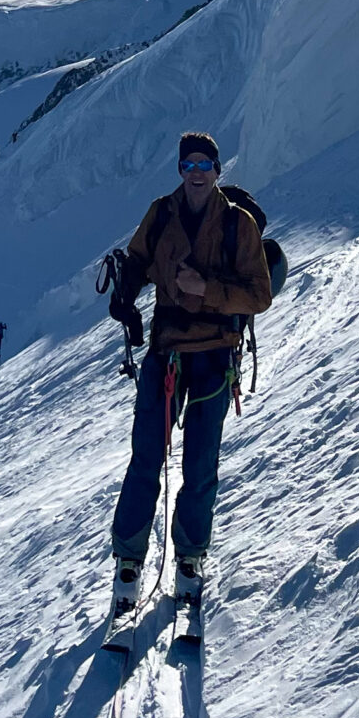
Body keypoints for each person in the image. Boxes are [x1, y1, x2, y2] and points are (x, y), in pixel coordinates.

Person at [105, 130, 271, 617]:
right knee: (145, 459)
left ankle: (190, 557)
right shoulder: (160, 215)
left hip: (215, 355)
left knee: (198, 466)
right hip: (167, 351)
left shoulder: (238, 225)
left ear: (218, 171)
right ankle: (129, 561)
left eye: (204, 166)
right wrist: (125, 296)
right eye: (188, 166)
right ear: (180, 171)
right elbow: (137, 261)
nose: (196, 174)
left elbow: (258, 295)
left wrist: (206, 289)